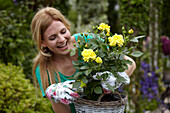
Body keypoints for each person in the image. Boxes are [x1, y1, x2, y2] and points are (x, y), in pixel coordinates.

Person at [31, 7, 136, 113]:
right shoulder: (45, 69)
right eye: (53, 38)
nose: (62, 39)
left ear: (68, 28)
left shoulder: (86, 41)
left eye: (63, 31)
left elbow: (130, 63)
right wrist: (55, 96)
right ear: (43, 42)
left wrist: (116, 78)